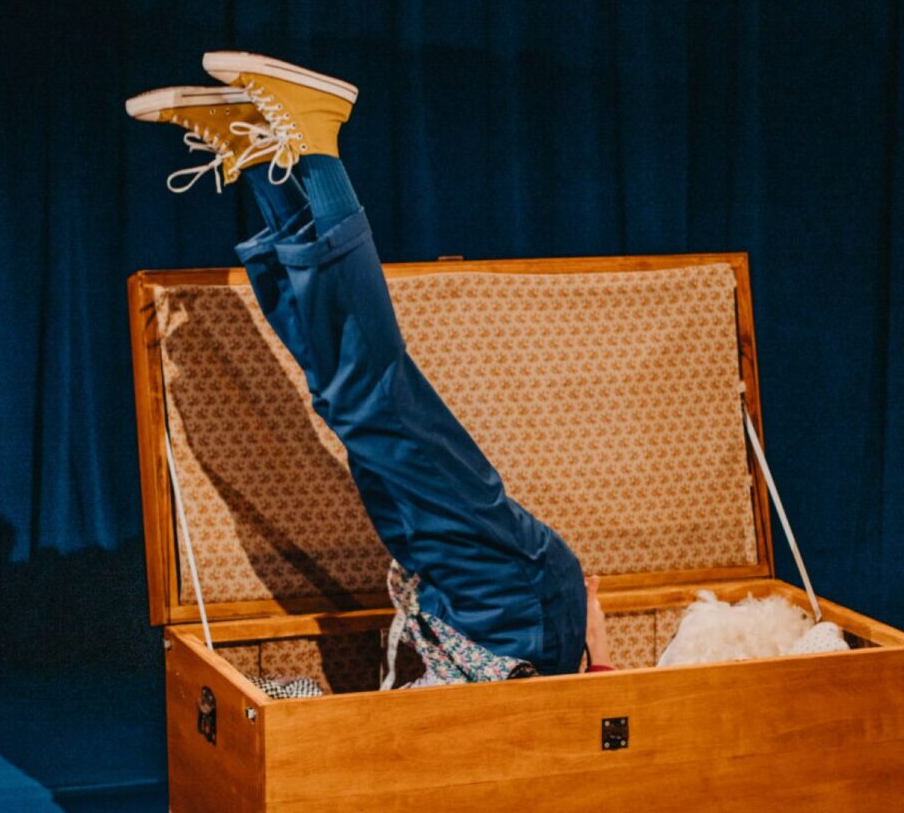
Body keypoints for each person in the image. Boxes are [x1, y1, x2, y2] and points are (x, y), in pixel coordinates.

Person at [128, 53, 613, 685]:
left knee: (345, 404)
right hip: (521, 612)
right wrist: (601, 655)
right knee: (376, 400)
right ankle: (318, 140)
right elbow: (605, 710)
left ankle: (258, 159)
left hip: (464, 610)